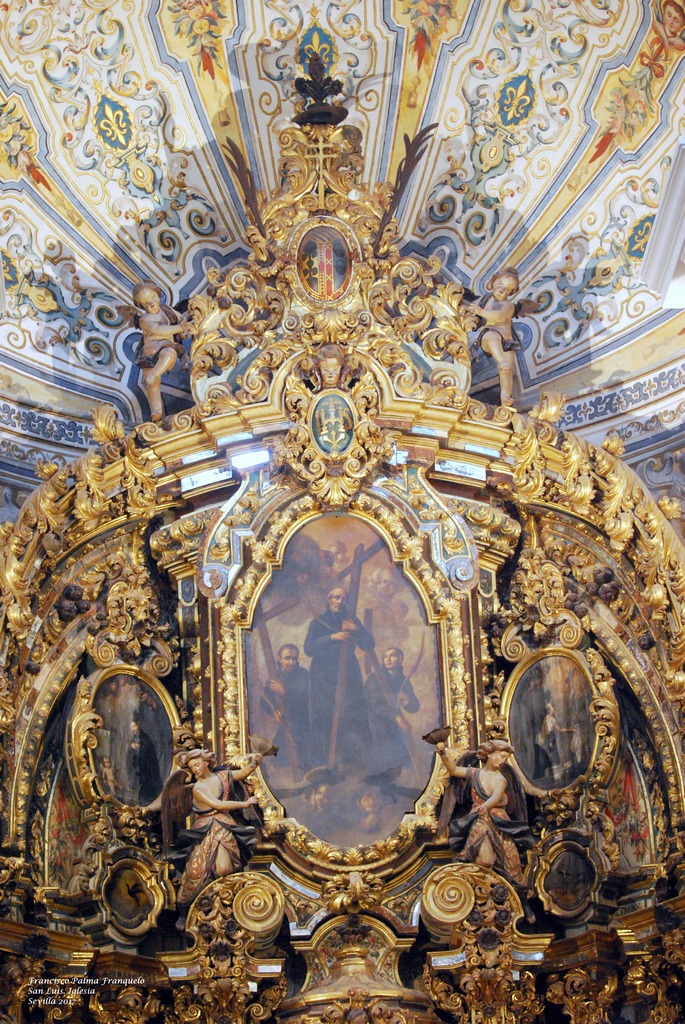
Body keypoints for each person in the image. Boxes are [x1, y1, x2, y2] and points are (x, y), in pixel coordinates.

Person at [435, 738, 539, 922]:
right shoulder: (475, 773)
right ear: (489, 754)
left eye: (505, 758)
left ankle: (525, 905)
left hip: (499, 822)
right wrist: (443, 754)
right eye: (500, 756)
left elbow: (496, 796)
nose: (502, 761)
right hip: (479, 820)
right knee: (484, 860)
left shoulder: (501, 779)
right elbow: (454, 770)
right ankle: (478, 892)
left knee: (513, 865)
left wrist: (486, 805)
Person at [169, 748, 262, 928]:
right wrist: (245, 804)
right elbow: (217, 804)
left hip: (224, 826)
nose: (195, 770)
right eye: (192, 768)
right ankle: (186, 909)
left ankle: (226, 903)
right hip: (205, 829)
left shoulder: (222, 776)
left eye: (197, 765)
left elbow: (242, 773)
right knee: (196, 872)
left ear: (206, 762)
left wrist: (255, 762)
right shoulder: (198, 788)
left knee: (225, 868)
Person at [303, 585, 373, 769]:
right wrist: (332, 638)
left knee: (352, 714)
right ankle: (324, 762)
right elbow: (308, 648)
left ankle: (352, 760)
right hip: (323, 676)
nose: (339, 602)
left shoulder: (351, 620)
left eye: (343, 598)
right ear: (329, 600)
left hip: (349, 674)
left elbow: (369, 645)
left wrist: (356, 629)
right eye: (336, 597)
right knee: (325, 715)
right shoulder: (318, 621)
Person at [464, 268, 526, 407]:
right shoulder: (485, 298)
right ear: (493, 282)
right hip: (489, 335)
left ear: (511, 293)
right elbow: (470, 307)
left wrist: (480, 311)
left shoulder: (508, 306)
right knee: (493, 338)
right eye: (501, 284)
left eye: (508, 289)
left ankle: (505, 396)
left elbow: (499, 316)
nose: (503, 290)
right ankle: (500, 360)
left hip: (508, 341)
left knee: (507, 371)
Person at [131, 281, 190, 422]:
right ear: (141, 306)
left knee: (169, 356)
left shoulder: (166, 310)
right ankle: (156, 412)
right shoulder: (144, 319)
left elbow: (181, 319)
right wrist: (181, 328)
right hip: (151, 349)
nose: (151, 303)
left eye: (152, 297)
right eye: (145, 303)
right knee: (153, 384)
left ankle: (156, 413)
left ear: (158, 294)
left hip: (166, 347)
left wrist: (185, 327)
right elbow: (159, 330)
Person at [365, 648, 419, 785]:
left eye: (392, 656)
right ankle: (379, 782)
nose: (388, 659)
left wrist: (407, 700)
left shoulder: (402, 680)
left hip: (393, 722)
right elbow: (375, 704)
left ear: (400, 659)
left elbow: (415, 707)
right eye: (385, 656)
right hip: (374, 721)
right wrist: (397, 717)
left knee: (403, 747)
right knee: (383, 748)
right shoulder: (374, 679)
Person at [261, 644, 311, 775]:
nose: (291, 662)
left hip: (303, 722)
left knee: (303, 752)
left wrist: (285, 691)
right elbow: (264, 702)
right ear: (279, 659)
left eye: (294, 658)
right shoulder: (274, 676)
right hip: (285, 722)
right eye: (287, 658)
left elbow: (305, 699)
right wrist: (274, 711)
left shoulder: (304, 674)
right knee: (276, 757)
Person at [125, 717, 163, 806]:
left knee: (145, 793)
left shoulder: (145, 739)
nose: (133, 729)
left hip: (147, 771)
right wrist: (131, 747)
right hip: (139, 772)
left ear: (139, 725)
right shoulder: (134, 738)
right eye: (131, 727)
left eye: (134, 726)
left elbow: (146, 756)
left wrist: (138, 750)